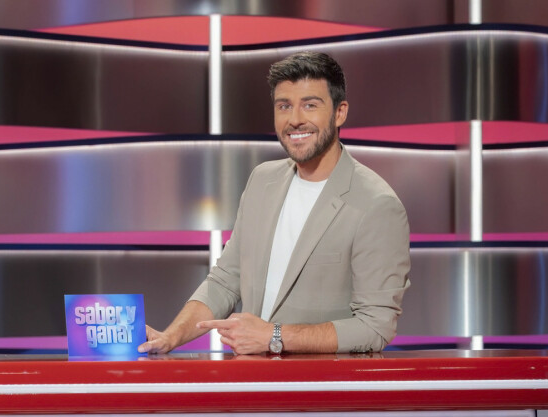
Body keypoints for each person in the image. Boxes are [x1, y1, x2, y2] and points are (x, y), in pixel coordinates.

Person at [138, 51, 410, 355]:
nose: (295, 119)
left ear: (339, 112)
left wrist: (274, 336)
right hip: (250, 379)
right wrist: (171, 337)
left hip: (323, 383)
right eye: (284, 106)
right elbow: (226, 280)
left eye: (310, 105)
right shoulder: (262, 180)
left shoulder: (376, 204)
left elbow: (374, 327)